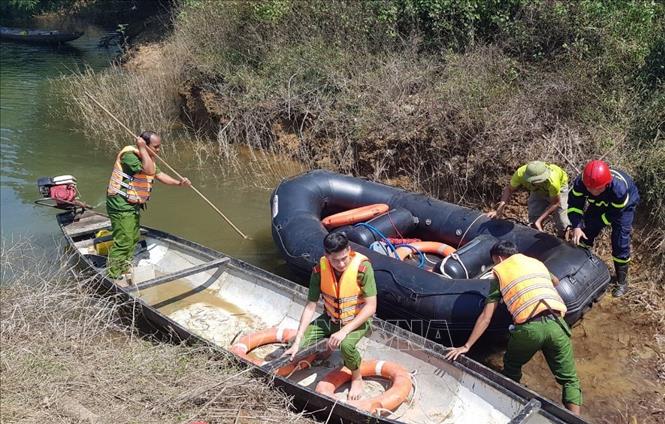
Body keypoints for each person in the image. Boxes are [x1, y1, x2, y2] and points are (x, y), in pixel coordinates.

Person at [445, 240, 582, 415]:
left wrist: (466, 346)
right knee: (569, 379)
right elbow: (555, 281)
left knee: (512, 366)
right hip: (557, 322)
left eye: (494, 261)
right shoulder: (536, 263)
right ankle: (575, 418)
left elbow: (486, 317)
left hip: (529, 328)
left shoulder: (500, 272)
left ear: (499, 258)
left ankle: (509, 405)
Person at [283, 232, 377, 400]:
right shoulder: (320, 270)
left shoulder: (363, 268)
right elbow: (311, 306)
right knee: (299, 343)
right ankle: (327, 346)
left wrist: (344, 331)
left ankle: (356, 377)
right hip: (330, 319)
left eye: (344, 258)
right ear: (327, 256)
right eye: (335, 260)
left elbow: (371, 307)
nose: (341, 264)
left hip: (357, 321)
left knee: (347, 346)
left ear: (349, 250)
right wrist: (298, 341)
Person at [106, 131, 191, 285]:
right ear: (144, 144)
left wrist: (179, 183)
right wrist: (144, 149)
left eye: (159, 147)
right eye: (155, 147)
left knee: (132, 238)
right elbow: (150, 171)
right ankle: (113, 276)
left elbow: (160, 175)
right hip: (120, 205)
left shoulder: (146, 157)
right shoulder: (129, 156)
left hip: (132, 205)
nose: (158, 150)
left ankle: (124, 267)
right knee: (124, 240)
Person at [567, 160, 639, 297]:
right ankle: (582, 269)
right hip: (599, 204)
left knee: (620, 240)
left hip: (622, 208)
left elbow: (615, 214)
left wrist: (598, 223)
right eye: (590, 189)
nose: (593, 192)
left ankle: (621, 281)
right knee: (585, 231)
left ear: (607, 183)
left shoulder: (619, 189)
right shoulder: (580, 184)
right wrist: (576, 226)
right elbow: (574, 206)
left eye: (598, 188)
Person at [486, 161, 571, 237]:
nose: (538, 182)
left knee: (563, 221)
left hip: (560, 189)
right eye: (535, 181)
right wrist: (500, 208)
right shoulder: (520, 174)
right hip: (537, 191)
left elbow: (555, 203)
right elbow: (509, 189)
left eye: (540, 180)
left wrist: (540, 220)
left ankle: (565, 238)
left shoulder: (553, 181)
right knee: (534, 216)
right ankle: (536, 236)